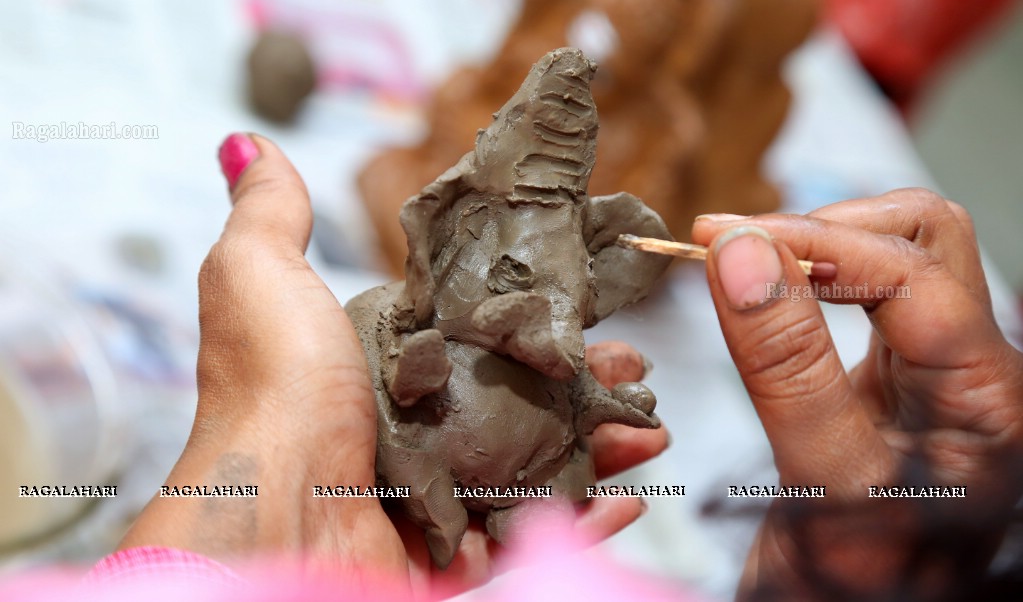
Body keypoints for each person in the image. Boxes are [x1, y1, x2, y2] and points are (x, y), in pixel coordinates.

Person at [85, 134, 1023, 600]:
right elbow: (409, 375)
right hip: (415, 455)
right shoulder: (393, 320)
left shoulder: (562, 347)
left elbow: (574, 383)